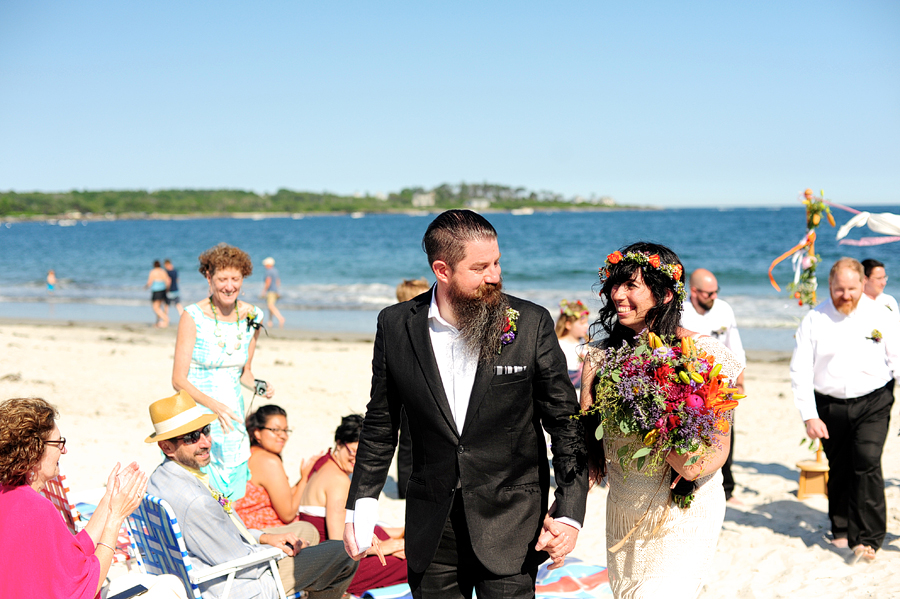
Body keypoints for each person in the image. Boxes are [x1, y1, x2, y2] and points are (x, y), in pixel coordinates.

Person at [343, 210, 589, 598]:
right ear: (442, 270)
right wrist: (360, 506)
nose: (494, 275)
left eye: (497, 262)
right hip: (431, 526)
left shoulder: (530, 322)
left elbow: (565, 423)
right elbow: (380, 423)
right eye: (480, 267)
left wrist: (570, 511)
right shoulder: (395, 325)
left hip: (512, 523)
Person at [580, 242, 742, 598]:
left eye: (630, 285)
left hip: (687, 507)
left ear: (665, 294)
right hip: (625, 508)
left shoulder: (706, 354)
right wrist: (564, 513)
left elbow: (719, 446)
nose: (616, 295)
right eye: (613, 285)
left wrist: (687, 463)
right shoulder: (598, 358)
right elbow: (588, 449)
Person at [145, 390, 358, 599]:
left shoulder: (159, 479)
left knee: (307, 531)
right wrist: (281, 550)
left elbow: (225, 540)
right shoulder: (196, 501)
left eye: (206, 430)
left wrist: (265, 537)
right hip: (235, 585)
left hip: (216, 564)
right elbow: (239, 561)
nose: (206, 442)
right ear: (167, 447)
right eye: (192, 437)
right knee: (343, 554)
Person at [0, 397, 185, 599]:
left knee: (168, 583)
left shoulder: (8, 495)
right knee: (170, 588)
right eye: (58, 443)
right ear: (34, 450)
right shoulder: (37, 509)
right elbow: (84, 587)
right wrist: (115, 519)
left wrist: (108, 499)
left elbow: (73, 556)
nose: (64, 450)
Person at [790, 257, 898, 563]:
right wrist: (809, 415)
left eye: (852, 288)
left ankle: (869, 538)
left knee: (866, 461)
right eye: (840, 289)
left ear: (863, 284)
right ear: (830, 286)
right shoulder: (814, 319)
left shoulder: (884, 315)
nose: (846, 295)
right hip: (829, 404)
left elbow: (898, 358)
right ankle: (841, 527)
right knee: (838, 465)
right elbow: (800, 371)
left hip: (874, 400)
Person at [172, 243, 274, 501]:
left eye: (235, 279)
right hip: (199, 419)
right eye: (222, 279)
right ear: (209, 277)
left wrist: (261, 386)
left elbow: (245, 373)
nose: (229, 286)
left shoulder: (253, 316)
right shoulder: (192, 316)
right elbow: (178, 380)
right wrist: (213, 406)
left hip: (232, 421)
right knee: (202, 497)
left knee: (232, 498)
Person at [299, 414, 407, 596]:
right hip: (341, 567)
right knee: (416, 561)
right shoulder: (338, 482)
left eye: (363, 455)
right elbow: (340, 546)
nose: (357, 459)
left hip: (329, 554)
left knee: (403, 538)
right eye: (353, 452)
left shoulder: (324, 462)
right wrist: (389, 547)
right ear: (339, 443)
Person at [680, 268, 746, 504]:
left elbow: (735, 346)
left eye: (716, 292)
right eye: (708, 293)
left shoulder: (724, 309)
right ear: (694, 291)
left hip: (721, 386)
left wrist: (740, 380)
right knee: (690, 435)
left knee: (724, 435)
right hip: (690, 387)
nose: (713, 297)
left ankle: (727, 488)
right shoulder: (681, 311)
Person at [234, 405, 320, 530]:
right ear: (257, 432)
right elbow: (288, 514)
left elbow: (280, 497)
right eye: (276, 430)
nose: (283, 436)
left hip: (246, 529)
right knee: (310, 530)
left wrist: (302, 479)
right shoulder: (268, 461)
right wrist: (305, 478)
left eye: (285, 430)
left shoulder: (250, 454)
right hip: (263, 533)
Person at [393, 277, 431, 500]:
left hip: (423, 386)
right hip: (407, 387)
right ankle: (405, 488)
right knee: (407, 438)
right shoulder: (401, 324)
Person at [555, 299, 590, 388]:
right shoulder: (558, 344)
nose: (587, 326)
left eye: (586, 322)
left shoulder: (587, 344)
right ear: (568, 325)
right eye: (582, 323)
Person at [146, 260, 171, 328]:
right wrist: (167, 289)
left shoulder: (153, 271)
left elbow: (150, 282)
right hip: (163, 290)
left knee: (155, 308)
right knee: (159, 307)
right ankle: (157, 322)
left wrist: (146, 286)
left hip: (156, 291)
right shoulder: (163, 271)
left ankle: (165, 318)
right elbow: (167, 280)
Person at [262, 257, 285, 329]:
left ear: (269, 264)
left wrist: (264, 291)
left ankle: (280, 318)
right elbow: (278, 281)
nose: (264, 265)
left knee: (270, 306)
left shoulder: (269, 271)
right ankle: (270, 321)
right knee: (271, 306)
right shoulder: (275, 271)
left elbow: (268, 281)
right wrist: (278, 290)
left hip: (271, 291)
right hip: (275, 290)